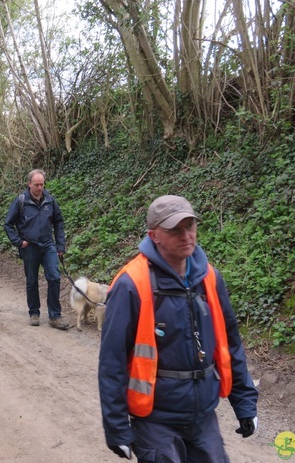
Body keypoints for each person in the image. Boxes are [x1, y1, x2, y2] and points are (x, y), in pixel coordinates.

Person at [98, 195, 258, 462]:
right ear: (154, 235)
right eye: (175, 229)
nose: (186, 236)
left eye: (190, 226)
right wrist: (116, 429)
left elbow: (230, 343)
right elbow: (112, 361)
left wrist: (244, 402)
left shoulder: (209, 277)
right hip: (155, 420)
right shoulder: (131, 284)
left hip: (203, 416)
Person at [4, 169, 68, 330]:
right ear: (29, 184)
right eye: (36, 185)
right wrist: (18, 242)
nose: (40, 188)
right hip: (29, 247)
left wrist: (60, 245)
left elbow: (59, 222)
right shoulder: (21, 201)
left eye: (42, 184)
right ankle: (34, 313)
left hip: (48, 245)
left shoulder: (50, 201)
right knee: (32, 281)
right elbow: (8, 224)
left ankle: (55, 316)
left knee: (54, 277)